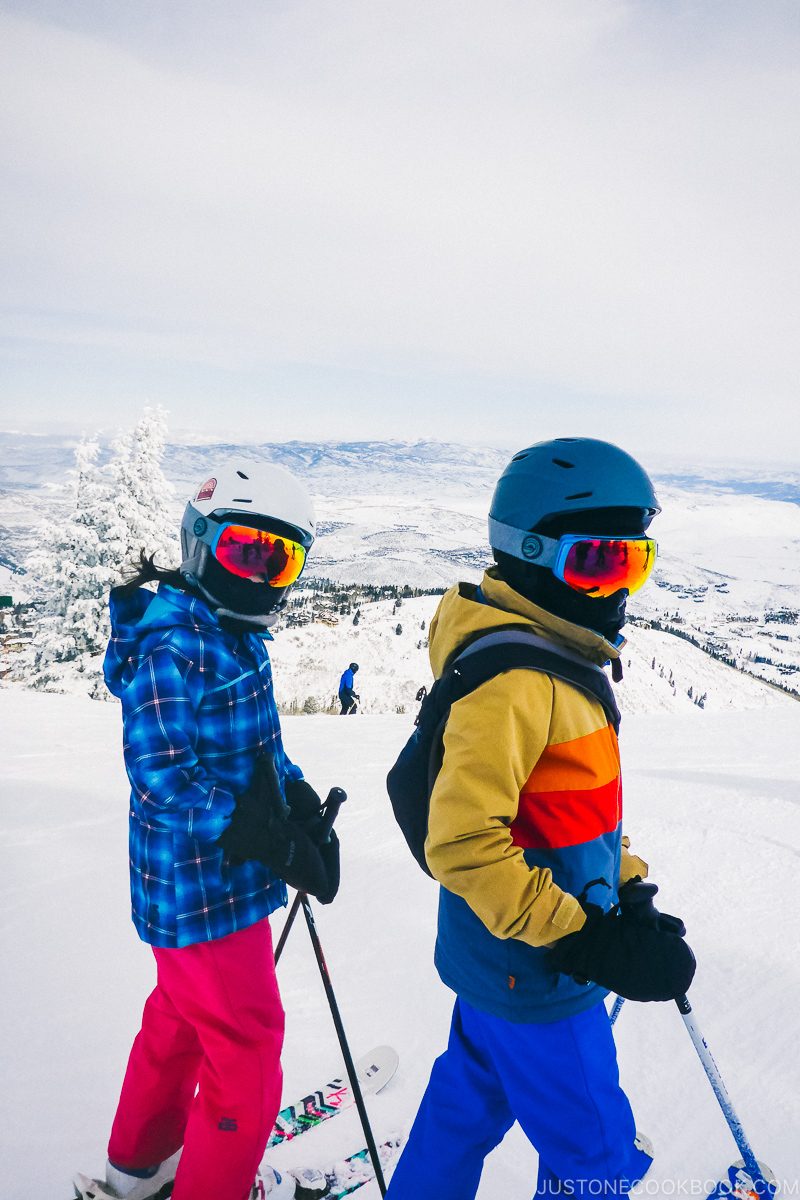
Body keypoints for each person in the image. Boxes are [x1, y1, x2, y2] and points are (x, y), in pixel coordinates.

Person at [386, 438, 695, 1200]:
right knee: (592, 1150)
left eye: (633, 563)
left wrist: (623, 885)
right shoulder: (519, 685)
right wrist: (591, 940)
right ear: (527, 552)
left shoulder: (552, 658)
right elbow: (463, 845)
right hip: (545, 979)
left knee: (466, 1102)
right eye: (597, 562)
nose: (616, 588)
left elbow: (571, 807)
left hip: (499, 961)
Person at [75, 462, 340, 1200]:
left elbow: (261, 747)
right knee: (249, 1043)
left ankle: (140, 1169)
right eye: (244, 551)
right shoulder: (174, 646)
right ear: (200, 544)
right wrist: (254, 831)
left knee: (181, 1023)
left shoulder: (226, 633)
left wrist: (297, 801)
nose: (261, 576)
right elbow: (159, 775)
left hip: (207, 886)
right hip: (204, 890)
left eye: (280, 558)